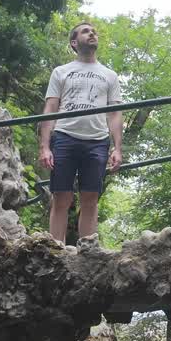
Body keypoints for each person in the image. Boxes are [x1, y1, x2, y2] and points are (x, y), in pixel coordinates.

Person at [39, 22, 123, 243]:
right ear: (74, 43)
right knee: (61, 197)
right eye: (86, 31)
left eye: (94, 31)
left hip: (97, 141)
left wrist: (117, 148)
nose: (92, 33)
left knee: (90, 198)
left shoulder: (110, 75)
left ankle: (88, 252)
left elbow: (115, 114)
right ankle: (55, 249)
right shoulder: (61, 72)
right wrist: (45, 147)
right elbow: (50, 109)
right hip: (64, 137)